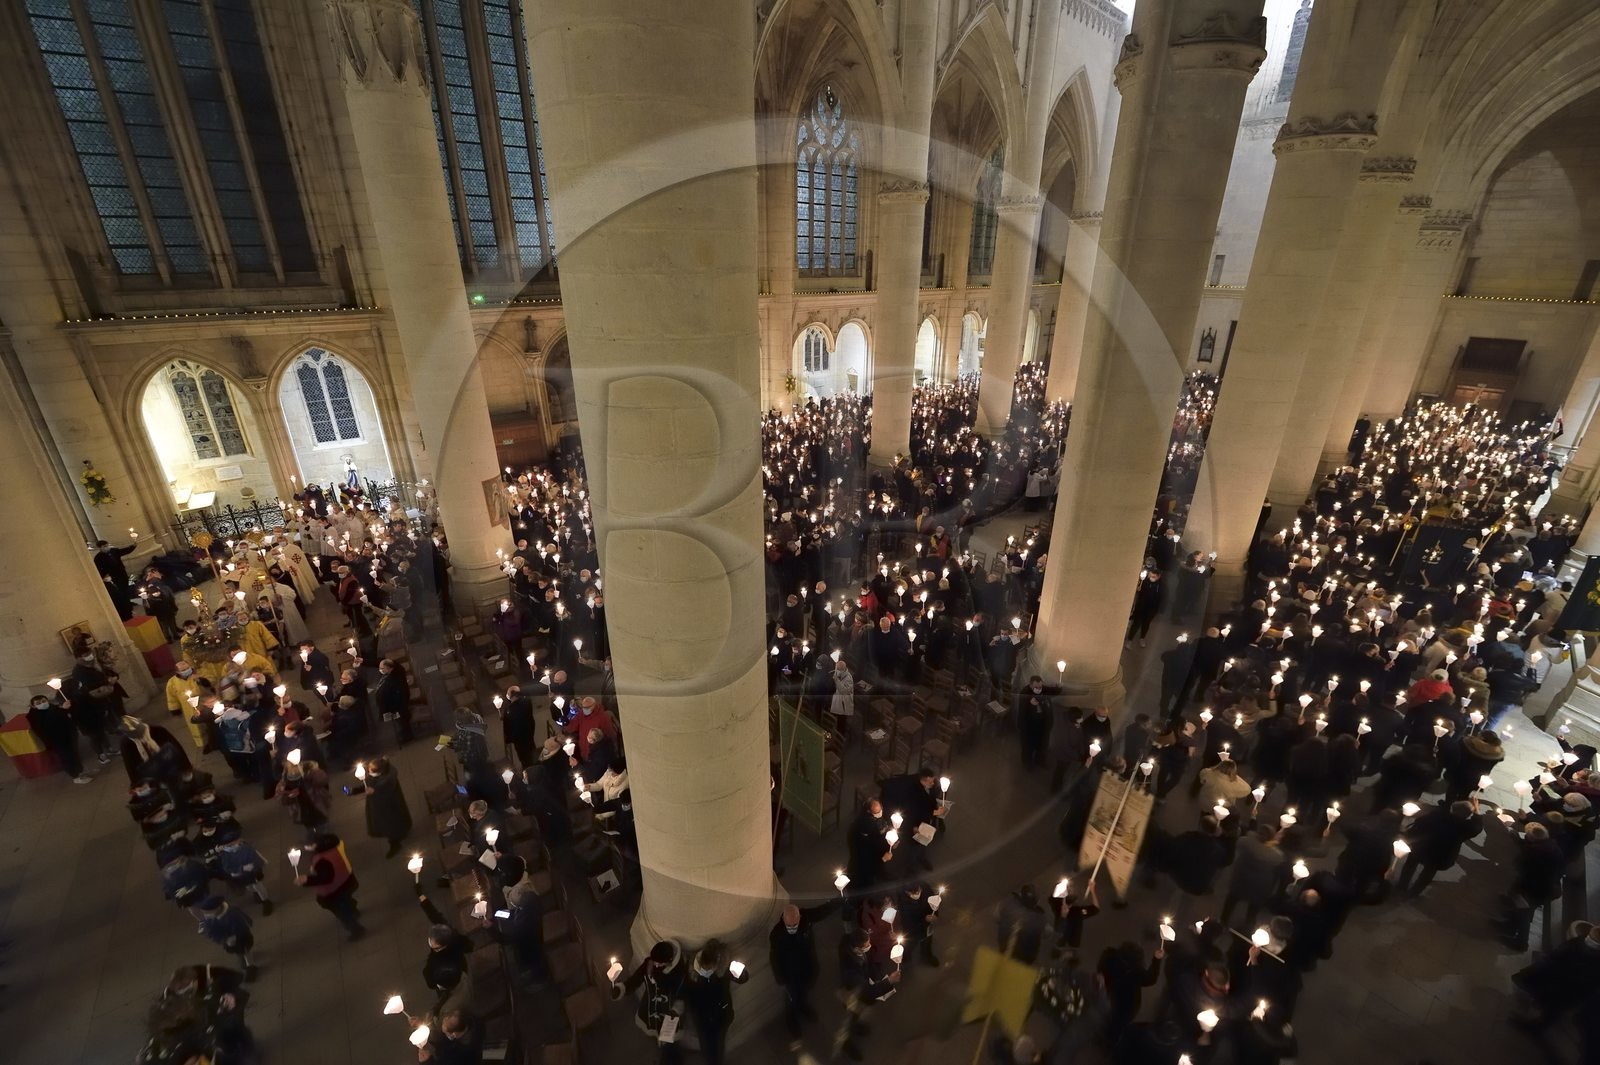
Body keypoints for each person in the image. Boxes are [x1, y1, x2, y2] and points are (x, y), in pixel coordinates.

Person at [1397, 799, 1484, 895]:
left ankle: (1402, 885)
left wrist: (1408, 836)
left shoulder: (1437, 815)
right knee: (1428, 873)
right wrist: (1476, 810)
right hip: (1440, 855)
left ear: (1453, 809)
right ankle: (1415, 892)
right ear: (1467, 815)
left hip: (1422, 847)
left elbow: (1419, 824)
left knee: (1410, 864)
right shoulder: (1464, 827)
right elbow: (1477, 827)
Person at [838, 928, 899, 1061]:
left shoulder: (859, 950)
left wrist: (879, 976)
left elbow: (870, 965)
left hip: (860, 990)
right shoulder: (850, 971)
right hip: (851, 996)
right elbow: (868, 991)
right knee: (850, 1018)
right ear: (857, 949)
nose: (869, 945)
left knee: (858, 1014)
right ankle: (846, 1043)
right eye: (867, 944)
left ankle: (857, 1027)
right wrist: (889, 982)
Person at [683, 940, 747, 1065]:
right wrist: (693, 1010)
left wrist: (740, 972)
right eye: (704, 969)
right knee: (706, 1045)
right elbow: (688, 991)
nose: (707, 972)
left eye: (711, 969)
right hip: (702, 1017)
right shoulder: (692, 971)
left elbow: (743, 978)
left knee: (719, 1044)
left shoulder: (723, 967)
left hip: (721, 1016)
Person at [611, 939, 686, 1041]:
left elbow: (680, 995)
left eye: (659, 963)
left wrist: (675, 1011)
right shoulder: (649, 963)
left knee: (665, 1037)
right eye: (654, 962)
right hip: (649, 1005)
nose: (655, 965)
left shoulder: (678, 973)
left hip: (667, 1011)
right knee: (651, 1026)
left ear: (669, 961)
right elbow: (636, 979)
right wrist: (621, 989)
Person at [769, 904, 823, 1045]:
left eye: (795, 924)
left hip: (806, 968)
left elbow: (821, 911)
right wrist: (780, 978)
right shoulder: (777, 934)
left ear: (799, 918)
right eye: (789, 925)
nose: (792, 927)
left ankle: (804, 1007)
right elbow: (774, 958)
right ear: (783, 919)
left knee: (804, 992)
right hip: (790, 974)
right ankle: (791, 1020)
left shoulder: (805, 923)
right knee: (791, 998)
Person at [296, 832, 364, 939]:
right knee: (346, 902)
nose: (306, 847)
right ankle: (353, 911)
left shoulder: (321, 860)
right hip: (346, 882)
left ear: (315, 845)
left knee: (343, 912)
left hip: (334, 891)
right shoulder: (333, 848)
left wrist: (306, 879)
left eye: (308, 845)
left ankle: (356, 929)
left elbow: (326, 878)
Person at [27, 691, 90, 783]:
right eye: (38, 703)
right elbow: (49, 723)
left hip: (68, 736)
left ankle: (81, 772)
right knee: (67, 758)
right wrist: (62, 709)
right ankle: (75, 776)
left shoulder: (53, 708)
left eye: (43, 701)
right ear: (33, 706)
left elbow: (65, 716)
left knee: (74, 755)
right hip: (57, 740)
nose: (42, 704)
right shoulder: (35, 716)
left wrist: (68, 708)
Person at [191, 896, 257, 979]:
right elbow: (211, 933)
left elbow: (241, 927)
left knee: (246, 950)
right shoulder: (209, 920)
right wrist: (224, 939)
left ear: (217, 908)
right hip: (228, 940)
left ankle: (251, 966)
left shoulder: (232, 914)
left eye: (208, 912)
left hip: (241, 937)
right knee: (238, 951)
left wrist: (235, 936)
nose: (206, 914)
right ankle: (241, 957)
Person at [363, 757, 413, 858]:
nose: (368, 773)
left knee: (390, 827)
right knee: (395, 824)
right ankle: (401, 832)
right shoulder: (385, 775)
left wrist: (374, 792)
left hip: (387, 809)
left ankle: (395, 844)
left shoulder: (385, 782)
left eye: (370, 771)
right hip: (390, 807)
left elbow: (384, 793)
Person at [419, 1008, 485, 1065]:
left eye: (444, 1026)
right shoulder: (470, 1023)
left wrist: (427, 1061)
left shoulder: (459, 1056)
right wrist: (420, 1023)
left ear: (454, 1034)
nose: (443, 1021)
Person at [374, 658, 413, 744]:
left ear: (389, 668)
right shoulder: (390, 672)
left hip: (399, 704)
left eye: (382, 669)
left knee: (402, 720)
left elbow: (398, 695)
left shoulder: (396, 677)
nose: (380, 670)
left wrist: (392, 706)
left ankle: (407, 736)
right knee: (400, 721)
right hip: (394, 703)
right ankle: (404, 732)